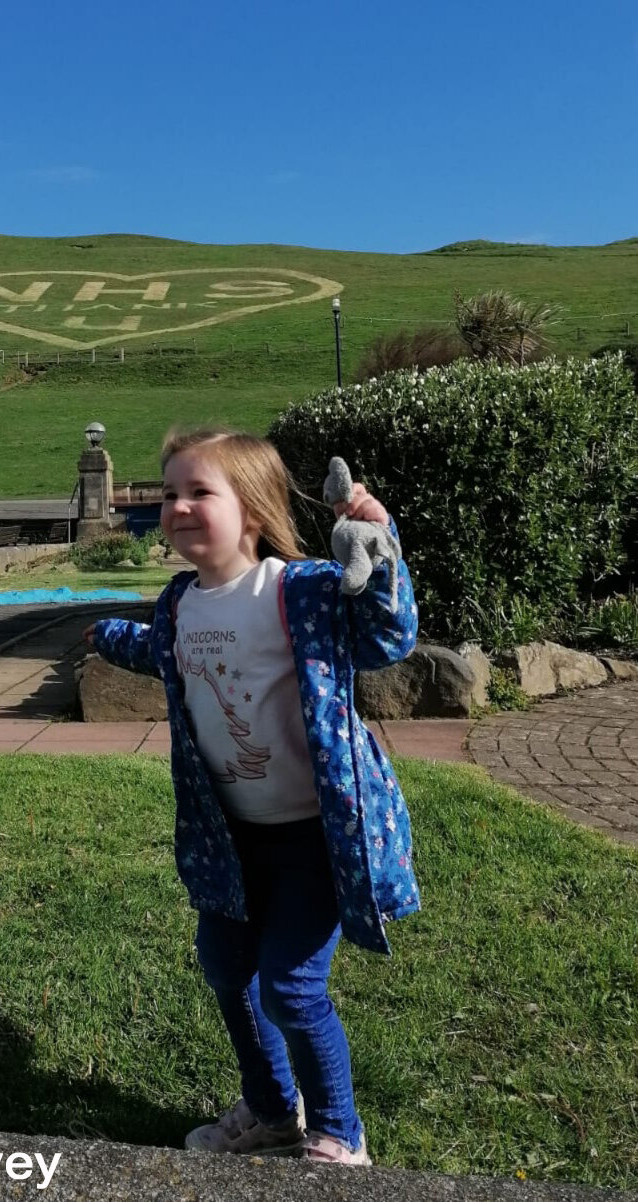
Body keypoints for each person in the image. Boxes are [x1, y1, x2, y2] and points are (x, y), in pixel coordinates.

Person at [83, 428, 419, 1167]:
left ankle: (339, 1135)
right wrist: (107, 635)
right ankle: (271, 1110)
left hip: (312, 838)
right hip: (229, 837)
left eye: (199, 491)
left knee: (293, 989)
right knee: (229, 968)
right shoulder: (179, 606)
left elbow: (388, 637)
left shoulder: (298, 592)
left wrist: (380, 541)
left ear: (255, 513)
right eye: (169, 492)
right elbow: (162, 653)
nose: (177, 505)